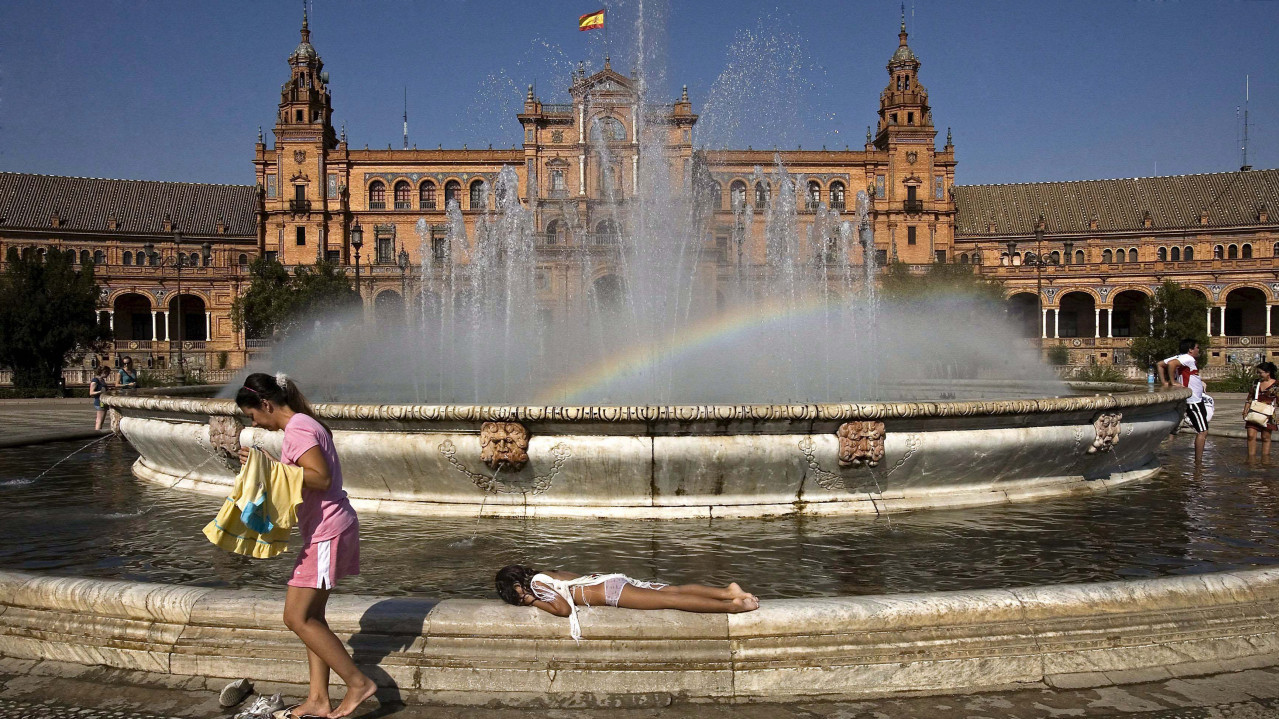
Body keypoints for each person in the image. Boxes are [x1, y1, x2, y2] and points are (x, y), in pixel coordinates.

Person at [234, 372, 376, 719]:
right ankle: (317, 699)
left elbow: (320, 476)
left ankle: (358, 683)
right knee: (312, 617)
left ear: (265, 404)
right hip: (326, 529)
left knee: (296, 617)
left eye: (253, 415)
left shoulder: (298, 427)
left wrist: (269, 467)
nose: (255, 422)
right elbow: (300, 476)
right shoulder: (303, 425)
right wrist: (264, 468)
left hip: (328, 530)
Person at [495, 565, 760, 642]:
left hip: (611, 592)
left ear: (515, 584)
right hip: (611, 581)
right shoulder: (545, 573)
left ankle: (732, 605)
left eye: (515, 592)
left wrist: (531, 602)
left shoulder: (536, 585)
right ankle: (727, 592)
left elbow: (562, 610)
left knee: (672, 600)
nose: (519, 595)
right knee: (674, 590)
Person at [1156, 338, 1209, 463]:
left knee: (1178, 428)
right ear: (1190, 350)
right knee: (1203, 431)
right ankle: (1198, 463)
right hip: (1193, 400)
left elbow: (1160, 364)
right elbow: (1171, 364)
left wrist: (1165, 382)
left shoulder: (1181, 357)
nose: (1198, 350)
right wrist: (1173, 382)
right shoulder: (1188, 358)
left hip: (1192, 398)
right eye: (1197, 348)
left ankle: (1166, 449)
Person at [1243, 361, 1278, 459]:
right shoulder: (1256, 382)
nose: (1259, 375)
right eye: (1258, 372)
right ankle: (1251, 459)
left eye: (1260, 372)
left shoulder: (1276, 385)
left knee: (1265, 437)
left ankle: (1265, 460)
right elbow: (1250, 397)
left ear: (1268, 373)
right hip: (1254, 411)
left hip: (1268, 413)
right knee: (1250, 435)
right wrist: (1245, 410)